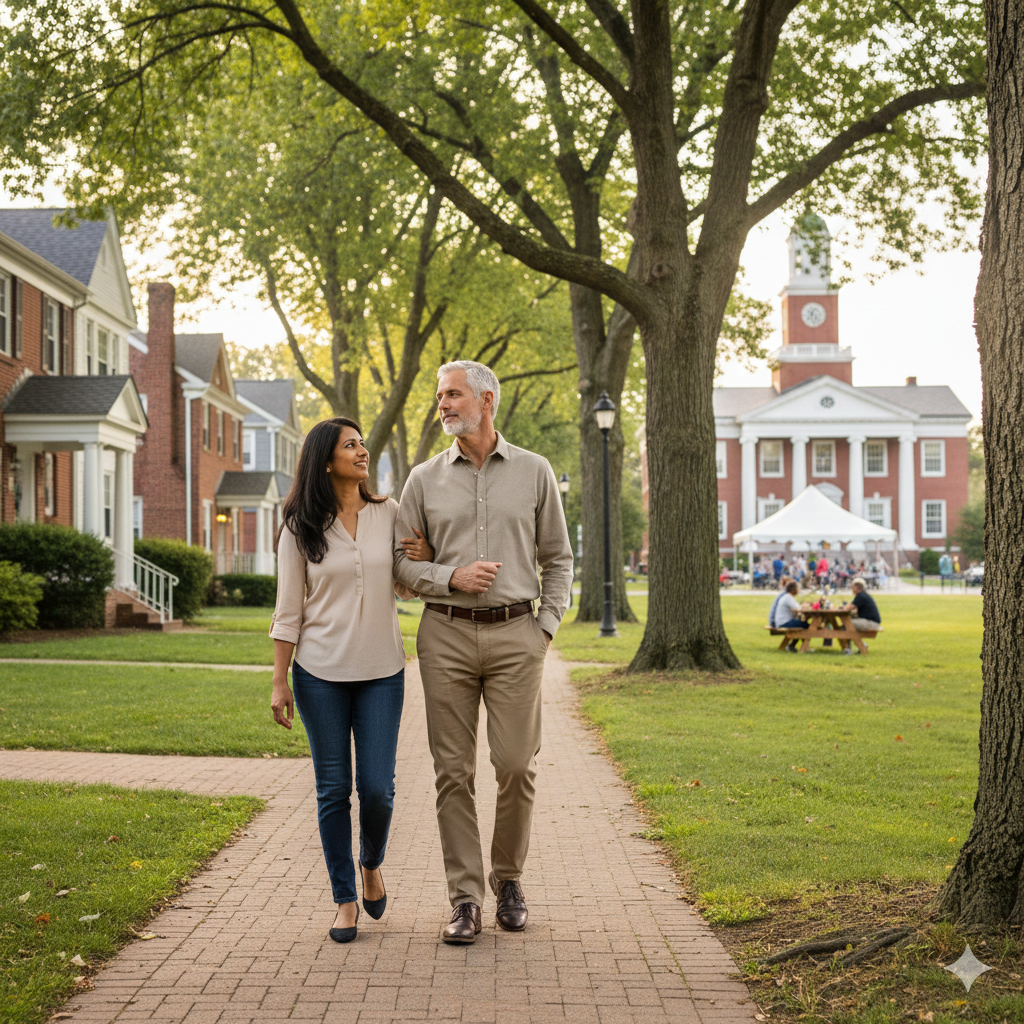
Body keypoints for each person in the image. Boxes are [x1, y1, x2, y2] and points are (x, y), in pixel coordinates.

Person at [394, 360, 573, 945]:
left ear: (486, 399)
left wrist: (543, 627)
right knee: (452, 772)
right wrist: (450, 577)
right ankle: (465, 898)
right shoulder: (422, 479)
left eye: (452, 394)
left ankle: (510, 880)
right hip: (443, 635)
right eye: (439, 396)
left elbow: (559, 559)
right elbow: (400, 563)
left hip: (516, 636)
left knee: (517, 765)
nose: (442, 405)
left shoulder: (535, 471)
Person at [269, 417, 431, 944]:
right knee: (333, 791)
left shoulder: (389, 513)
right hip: (318, 674)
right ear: (325, 461)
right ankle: (344, 899)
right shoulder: (299, 527)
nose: (363, 451)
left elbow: (407, 581)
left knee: (378, 790)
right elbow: (288, 609)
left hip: (383, 671)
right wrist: (279, 680)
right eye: (351, 445)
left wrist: (425, 559)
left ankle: (371, 865)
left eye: (363, 443)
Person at [840, 577, 883, 653]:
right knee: (848, 624)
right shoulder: (863, 595)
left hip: (871, 623)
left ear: (856, 587)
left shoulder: (861, 596)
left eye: (852, 587)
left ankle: (849, 649)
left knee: (847, 624)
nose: (852, 589)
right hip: (871, 621)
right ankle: (861, 645)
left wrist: (840, 607)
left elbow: (849, 607)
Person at [775, 580, 810, 652]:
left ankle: (796, 646)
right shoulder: (788, 598)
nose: (798, 590)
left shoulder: (788, 597)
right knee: (806, 625)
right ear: (793, 589)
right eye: (797, 588)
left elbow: (797, 610)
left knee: (803, 625)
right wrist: (804, 607)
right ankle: (802, 647)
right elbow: (798, 609)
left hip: (784, 621)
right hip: (784, 622)